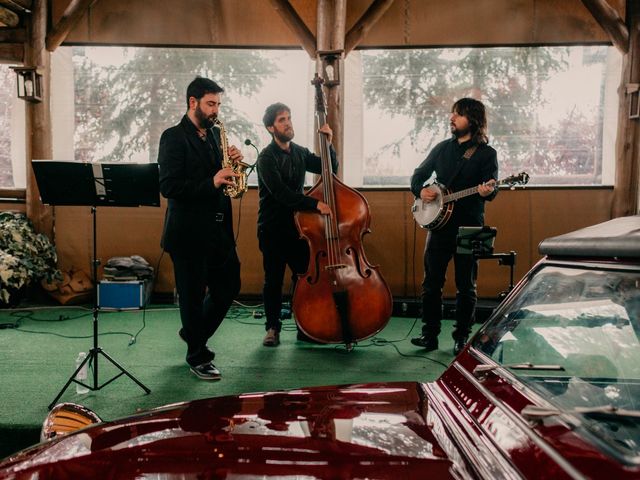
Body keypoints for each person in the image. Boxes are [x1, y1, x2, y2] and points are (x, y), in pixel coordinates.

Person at [158, 77, 243, 380]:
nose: (215, 110)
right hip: (188, 233)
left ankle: (193, 332)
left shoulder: (216, 135)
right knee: (193, 296)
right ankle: (198, 355)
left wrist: (236, 167)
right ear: (192, 102)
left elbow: (226, 182)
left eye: (218, 104)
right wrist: (212, 182)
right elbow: (169, 185)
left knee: (229, 286)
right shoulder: (172, 137)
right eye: (210, 104)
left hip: (219, 231)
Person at [410, 97, 498, 355]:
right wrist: (421, 189)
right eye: (452, 113)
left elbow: (493, 190)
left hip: (471, 227)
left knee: (466, 286)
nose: (451, 118)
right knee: (431, 284)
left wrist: (486, 192)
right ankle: (429, 335)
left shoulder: (486, 154)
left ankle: (462, 337)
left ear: (473, 119)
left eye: (458, 114)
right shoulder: (441, 149)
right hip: (439, 227)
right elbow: (418, 175)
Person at [256, 102, 338, 347]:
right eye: (282, 119)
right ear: (271, 127)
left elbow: (330, 168)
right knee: (273, 280)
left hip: (299, 230)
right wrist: (316, 205)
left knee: (303, 277)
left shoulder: (300, 152)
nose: (288, 123)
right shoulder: (265, 158)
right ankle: (272, 328)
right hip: (272, 229)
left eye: (289, 118)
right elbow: (281, 194)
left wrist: (329, 144)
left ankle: (305, 325)